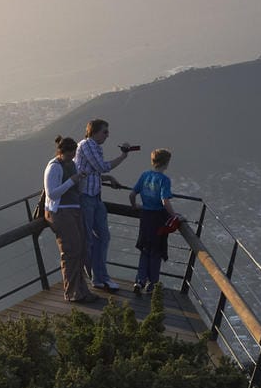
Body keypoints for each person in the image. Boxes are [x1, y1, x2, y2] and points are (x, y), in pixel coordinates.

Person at [75, 118, 133, 291]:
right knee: (91, 240)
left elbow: (91, 172)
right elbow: (102, 167)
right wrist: (123, 155)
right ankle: (99, 277)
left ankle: (99, 277)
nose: (108, 135)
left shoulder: (94, 147)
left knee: (101, 237)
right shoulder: (88, 145)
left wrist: (107, 179)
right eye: (105, 132)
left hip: (94, 196)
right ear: (94, 132)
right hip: (86, 197)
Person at [44, 136, 100, 303]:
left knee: (81, 249)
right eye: (70, 154)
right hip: (60, 212)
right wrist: (71, 181)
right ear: (62, 152)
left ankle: (81, 290)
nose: (72, 156)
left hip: (74, 210)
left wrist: (80, 180)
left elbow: (77, 189)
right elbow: (52, 193)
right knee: (71, 251)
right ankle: (72, 292)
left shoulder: (72, 164)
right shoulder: (54, 167)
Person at [128, 148, 178, 294]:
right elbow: (165, 201)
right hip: (158, 218)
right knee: (156, 251)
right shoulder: (164, 180)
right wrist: (175, 215)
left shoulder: (145, 175)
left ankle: (139, 281)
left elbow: (132, 194)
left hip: (145, 216)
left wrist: (134, 206)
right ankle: (153, 283)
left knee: (144, 249)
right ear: (166, 163)